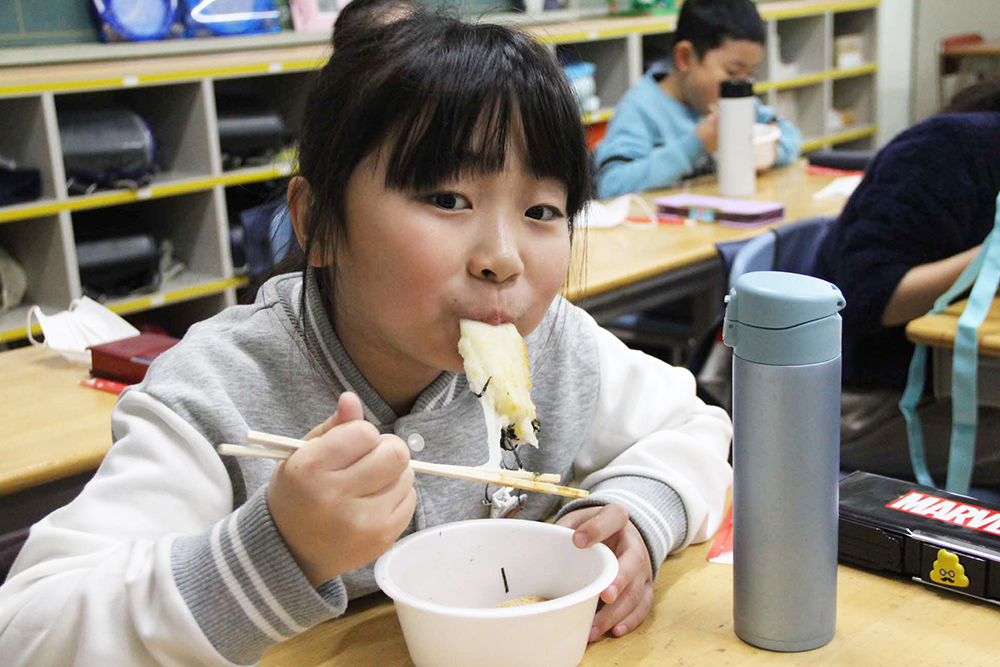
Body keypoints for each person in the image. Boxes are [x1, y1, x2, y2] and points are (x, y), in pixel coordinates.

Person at [0, 11, 733, 667]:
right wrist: (275, 547)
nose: (503, 256)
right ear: (317, 221)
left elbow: (695, 424)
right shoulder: (218, 393)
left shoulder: (551, 344)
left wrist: (637, 513)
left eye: (542, 209)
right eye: (448, 199)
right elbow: (28, 632)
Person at [813, 81, 1000, 487]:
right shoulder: (945, 150)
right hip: (862, 402)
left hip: (950, 388)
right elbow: (864, 298)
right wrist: (990, 257)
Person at [594, 0, 801, 199]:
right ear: (685, 57)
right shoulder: (640, 109)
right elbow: (611, 185)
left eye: (749, 75)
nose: (742, 86)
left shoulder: (736, 101)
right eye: (732, 72)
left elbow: (790, 135)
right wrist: (697, 144)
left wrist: (769, 152)